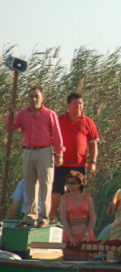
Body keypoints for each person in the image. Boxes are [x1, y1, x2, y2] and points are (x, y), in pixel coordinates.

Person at [6, 87, 64, 228]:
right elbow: (10, 128)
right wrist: (10, 113)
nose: (34, 99)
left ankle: (44, 217)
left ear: (42, 98)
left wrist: (59, 153)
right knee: (29, 184)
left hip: (44, 151)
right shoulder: (22, 115)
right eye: (31, 96)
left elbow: (57, 135)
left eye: (37, 96)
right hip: (28, 151)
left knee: (45, 184)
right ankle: (30, 216)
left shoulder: (50, 114)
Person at [50, 92, 99, 222]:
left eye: (80, 103)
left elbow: (93, 144)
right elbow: (50, 139)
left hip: (79, 165)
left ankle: (78, 220)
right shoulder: (59, 120)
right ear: (68, 104)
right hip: (61, 164)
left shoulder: (88, 122)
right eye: (75, 103)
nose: (78, 105)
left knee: (79, 194)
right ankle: (51, 217)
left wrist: (93, 162)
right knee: (56, 192)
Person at [60, 171, 96, 244]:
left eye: (72, 183)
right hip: (70, 235)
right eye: (67, 183)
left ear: (80, 184)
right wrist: (71, 236)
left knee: (87, 254)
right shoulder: (64, 198)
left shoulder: (88, 198)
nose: (69, 185)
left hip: (86, 234)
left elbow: (93, 217)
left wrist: (87, 233)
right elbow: (64, 219)